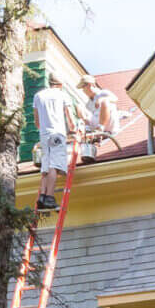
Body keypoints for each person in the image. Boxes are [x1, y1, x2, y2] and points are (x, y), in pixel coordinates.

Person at [32, 71, 76, 209]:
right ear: (60, 84)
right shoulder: (63, 95)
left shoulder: (38, 96)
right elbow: (69, 117)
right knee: (54, 165)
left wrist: (44, 128)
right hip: (57, 134)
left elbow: (37, 121)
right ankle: (50, 197)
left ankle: (42, 196)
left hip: (44, 135)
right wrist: (74, 129)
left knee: (46, 165)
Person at [76, 74, 128, 161]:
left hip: (108, 125)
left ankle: (100, 129)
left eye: (83, 87)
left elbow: (115, 99)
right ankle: (89, 132)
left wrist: (101, 100)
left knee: (105, 101)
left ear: (89, 85)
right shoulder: (88, 104)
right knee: (79, 107)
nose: (83, 91)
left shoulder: (103, 93)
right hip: (95, 125)